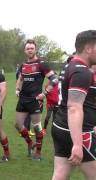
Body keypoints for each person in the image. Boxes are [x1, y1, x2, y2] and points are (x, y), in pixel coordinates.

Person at [52, 30, 96, 180]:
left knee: (61, 174)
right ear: (88, 48)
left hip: (61, 126)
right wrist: (77, 144)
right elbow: (74, 107)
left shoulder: (70, 65)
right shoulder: (83, 72)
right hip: (79, 132)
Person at [15, 39, 58, 160]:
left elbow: (54, 79)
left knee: (37, 127)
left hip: (35, 100)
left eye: (32, 48)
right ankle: (30, 143)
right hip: (23, 99)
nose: (29, 50)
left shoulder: (41, 64)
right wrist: (17, 89)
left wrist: (45, 93)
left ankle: (38, 153)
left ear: (35, 49)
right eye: (28, 48)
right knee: (18, 125)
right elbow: (21, 79)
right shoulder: (23, 65)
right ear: (25, 50)